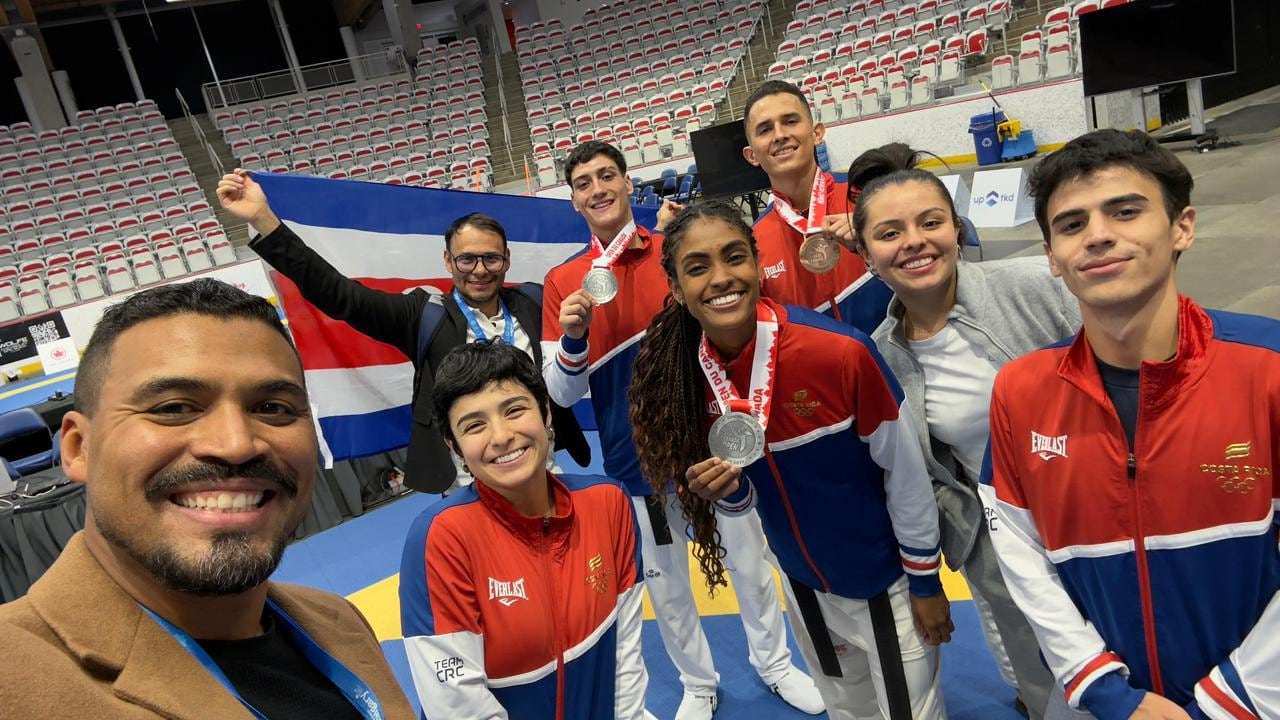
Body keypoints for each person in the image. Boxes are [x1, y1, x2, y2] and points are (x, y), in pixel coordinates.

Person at [0, 279, 415, 718]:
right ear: (79, 448)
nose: (236, 444)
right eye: (174, 408)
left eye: (273, 408)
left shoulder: (339, 622)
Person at [980, 129, 1280, 720]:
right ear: (1052, 258)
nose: (1097, 235)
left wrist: (1230, 701)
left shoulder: (1269, 366)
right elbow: (1020, 551)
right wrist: (1103, 689)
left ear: (1182, 228)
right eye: (1071, 225)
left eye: (1125, 211)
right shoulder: (1020, 391)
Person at [630, 200, 952, 720]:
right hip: (802, 586)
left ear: (757, 265)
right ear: (675, 289)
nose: (720, 278)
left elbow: (907, 475)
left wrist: (924, 580)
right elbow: (754, 499)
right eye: (697, 267)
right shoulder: (691, 378)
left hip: (881, 581)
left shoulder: (840, 353)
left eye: (734, 257)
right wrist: (731, 495)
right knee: (848, 713)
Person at [543, 141, 822, 719]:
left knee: (750, 561)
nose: (597, 189)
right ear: (573, 200)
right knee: (666, 586)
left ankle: (774, 664)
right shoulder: (563, 282)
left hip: (711, 439)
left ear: (626, 183)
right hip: (632, 457)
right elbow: (563, 393)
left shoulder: (674, 251)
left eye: (606, 176)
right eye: (583, 183)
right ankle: (698, 684)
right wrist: (573, 337)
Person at [847, 143, 1081, 719]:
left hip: (1096, 519)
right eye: (890, 232)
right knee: (1047, 687)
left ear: (956, 228)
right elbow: (923, 476)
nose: (914, 242)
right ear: (866, 254)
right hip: (1006, 546)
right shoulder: (883, 355)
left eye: (930, 222)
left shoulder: (1038, 287)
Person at [216, 169, 589, 494]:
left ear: (506, 259)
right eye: (466, 258)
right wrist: (264, 219)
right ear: (448, 261)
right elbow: (339, 294)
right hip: (469, 480)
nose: (479, 270)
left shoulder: (534, 302)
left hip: (541, 461)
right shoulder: (422, 315)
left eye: (491, 258)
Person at [398, 341, 651, 718]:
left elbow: (625, 648)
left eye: (514, 410)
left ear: (546, 412)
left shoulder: (608, 502)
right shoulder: (440, 539)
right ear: (454, 445)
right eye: (474, 426)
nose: (501, 437)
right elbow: (458, 705)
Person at [741, 80, 893, 335]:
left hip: (900, 359)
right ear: (752, 155)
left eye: (790, 121)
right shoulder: (752, 244)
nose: (779, 135)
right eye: (765, 129)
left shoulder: (870, 195)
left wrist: (875, 244)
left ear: (817, 133)